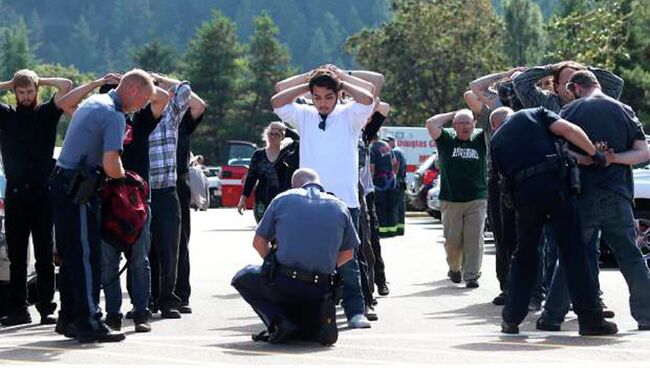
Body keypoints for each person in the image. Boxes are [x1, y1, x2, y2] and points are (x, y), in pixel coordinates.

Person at [55, 73, 169, 333]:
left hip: (66, 185)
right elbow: (111, 164)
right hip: (80, 188)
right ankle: (91, 322)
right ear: (129, 89)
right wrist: (128, 181)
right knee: (86, 257)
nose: (141, 106)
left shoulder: (94, 103)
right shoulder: (114, 114)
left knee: (72, 256)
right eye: (141, 99)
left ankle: (70, 318)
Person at [490, 106, 617, 336]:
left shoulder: (496, 141)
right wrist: (595, 154)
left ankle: (511, 319)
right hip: (554, 186)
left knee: (525, 255)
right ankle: (591, 321)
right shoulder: (533, 114)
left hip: (524, 197)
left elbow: (501, 185)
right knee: (573, 252)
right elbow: (568, 129)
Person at [538, 70, 650, 332]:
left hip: (583, 195)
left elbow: (554, 149)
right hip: (617, 194)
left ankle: (553, 316)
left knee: (570, 257)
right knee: (631, 257)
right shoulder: (624, 110)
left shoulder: (570, 112)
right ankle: (646, 316)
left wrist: (587, 158)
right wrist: (613, 158)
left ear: (576, 88)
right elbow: (643, 152)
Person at [272, 66, 375, 328]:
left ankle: (356, 311)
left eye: (329, 97)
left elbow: (368, 97)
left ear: (338, 95)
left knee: (348, 260)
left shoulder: (350, 116)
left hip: (345, 201)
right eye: (317, 97)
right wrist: (308, 82)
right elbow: (278, 98)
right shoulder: (305, 115)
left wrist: (341, 80)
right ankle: (311, 310)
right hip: (310, 201)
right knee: (308, 259)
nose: (323, 103)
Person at [231, 168, 357, 345]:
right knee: (308, 326)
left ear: (295, 185)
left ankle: (279, 320)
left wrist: (273, 264)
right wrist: (325, 264)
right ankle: (308, 324)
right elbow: (348, 253)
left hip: (286, 283)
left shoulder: (284, 199)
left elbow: (259, 243)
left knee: (243, 277)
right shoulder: (340, 206)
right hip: (320, 289)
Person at [0, 69, 72, 326]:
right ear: (15, 93)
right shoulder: (6, 115)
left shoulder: (46, 114)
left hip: (43, 193)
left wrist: (38, 79)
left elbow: (66, 85)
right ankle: (19, 309)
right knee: (17, 256)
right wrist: (11, 82)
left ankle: (46, 308)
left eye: (30, 91)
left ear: (36, 91)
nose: (26, 95)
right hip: (16, 194)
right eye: (21, 92)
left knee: (44, 254)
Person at [147, 74, 193, 319]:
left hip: (167, 191)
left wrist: (158, 79)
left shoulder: (171, 116)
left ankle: (168, 299)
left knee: (169, 250)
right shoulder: (137, 116)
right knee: (142, 252)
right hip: (142, 193)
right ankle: (144, 300)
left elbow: (185, 91)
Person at [425, 109, 487, 288]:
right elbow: (431, 123)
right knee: (452, 241)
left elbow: (495, 121)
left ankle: (472, 275)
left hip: (476, 198)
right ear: (454, 125)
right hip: (451, 199)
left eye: (468, 122)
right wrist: (454, 113)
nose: (465, 126)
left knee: (474, 239)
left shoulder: (481, 138)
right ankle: (454, 268)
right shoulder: (446, 139)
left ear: (474, 124)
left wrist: (473, 111)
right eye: (460, 123)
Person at [175, 96, 207, 316]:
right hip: (146, 184)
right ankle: (150, 298)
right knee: (147, 248)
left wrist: (166, 82)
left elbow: (199, 105)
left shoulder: (182, 120)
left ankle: (180, 295)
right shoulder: (142, 116)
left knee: (180, 244)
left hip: (178, 184)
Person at [238, 122, 288, 222]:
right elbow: (251, 178)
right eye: (270, 134)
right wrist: (243, 198)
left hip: (283, 201)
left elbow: (298, 139)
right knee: (263, 233)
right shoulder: (258, 155)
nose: (273, 137)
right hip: (262, 200)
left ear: (282, 137)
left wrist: (286, 130)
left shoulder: (287, 154)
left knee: (280, 234)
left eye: (277, 135)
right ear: (266, 135)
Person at [369, 133, 398, 237]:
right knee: (391, 206)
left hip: (379, 182)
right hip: (390, 180)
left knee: (380, 207)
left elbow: (372, 168)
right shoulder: (386, 145)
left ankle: (382, 232)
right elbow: (394, 162)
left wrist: (370, 183)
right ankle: (392, 230)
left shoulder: (372, 148)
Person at [385, 135, 407, 236]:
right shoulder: (398, 150)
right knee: (399, 207)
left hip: (397, 183)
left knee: (395, 206)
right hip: (400, 182)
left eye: (387, 142)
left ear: (392, 142)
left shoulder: (396, 151)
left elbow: (396, 166)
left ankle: (396, 229)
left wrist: (392, 179)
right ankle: (399, 229)